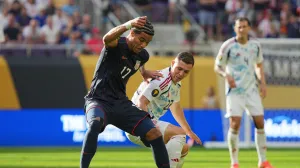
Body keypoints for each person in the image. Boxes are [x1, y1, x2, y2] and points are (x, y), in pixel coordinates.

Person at [80, 16, 170, 168]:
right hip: (98, 99)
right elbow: (106, 38)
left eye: (147, 42)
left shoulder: (143, 55)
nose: (143, 45)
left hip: (121, 103)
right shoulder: (116, 44)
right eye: (141, 39)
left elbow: (139, 63)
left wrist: (144, 72)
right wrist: (128, 24)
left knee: (154, 134)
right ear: (132, 33)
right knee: (95, 124)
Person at [214, 17, 273, 168]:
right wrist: (226, 75)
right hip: (234, 92)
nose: (241, 29)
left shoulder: (255, 45)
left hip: (251, 89)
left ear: (249, 28)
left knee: (260, 122)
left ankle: (263, 161)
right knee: (235, 124)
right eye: (239, 27)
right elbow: (217, 66)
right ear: (235, 28)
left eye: (244, 26)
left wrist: (263, 84)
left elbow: (259, 66)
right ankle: (234, 163)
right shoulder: (228, 46)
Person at [126, 52, 202, 168]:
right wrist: (147, 128)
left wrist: (189, 131)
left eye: (186, 71)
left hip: (143, 123)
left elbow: (175, 107)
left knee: (184, 148)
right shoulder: (161, 80)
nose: (181, 74)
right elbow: (141, 102)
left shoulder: (175, 83)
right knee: (179, 134)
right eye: (179, 69)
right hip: (137, 124)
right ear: (172, 63)